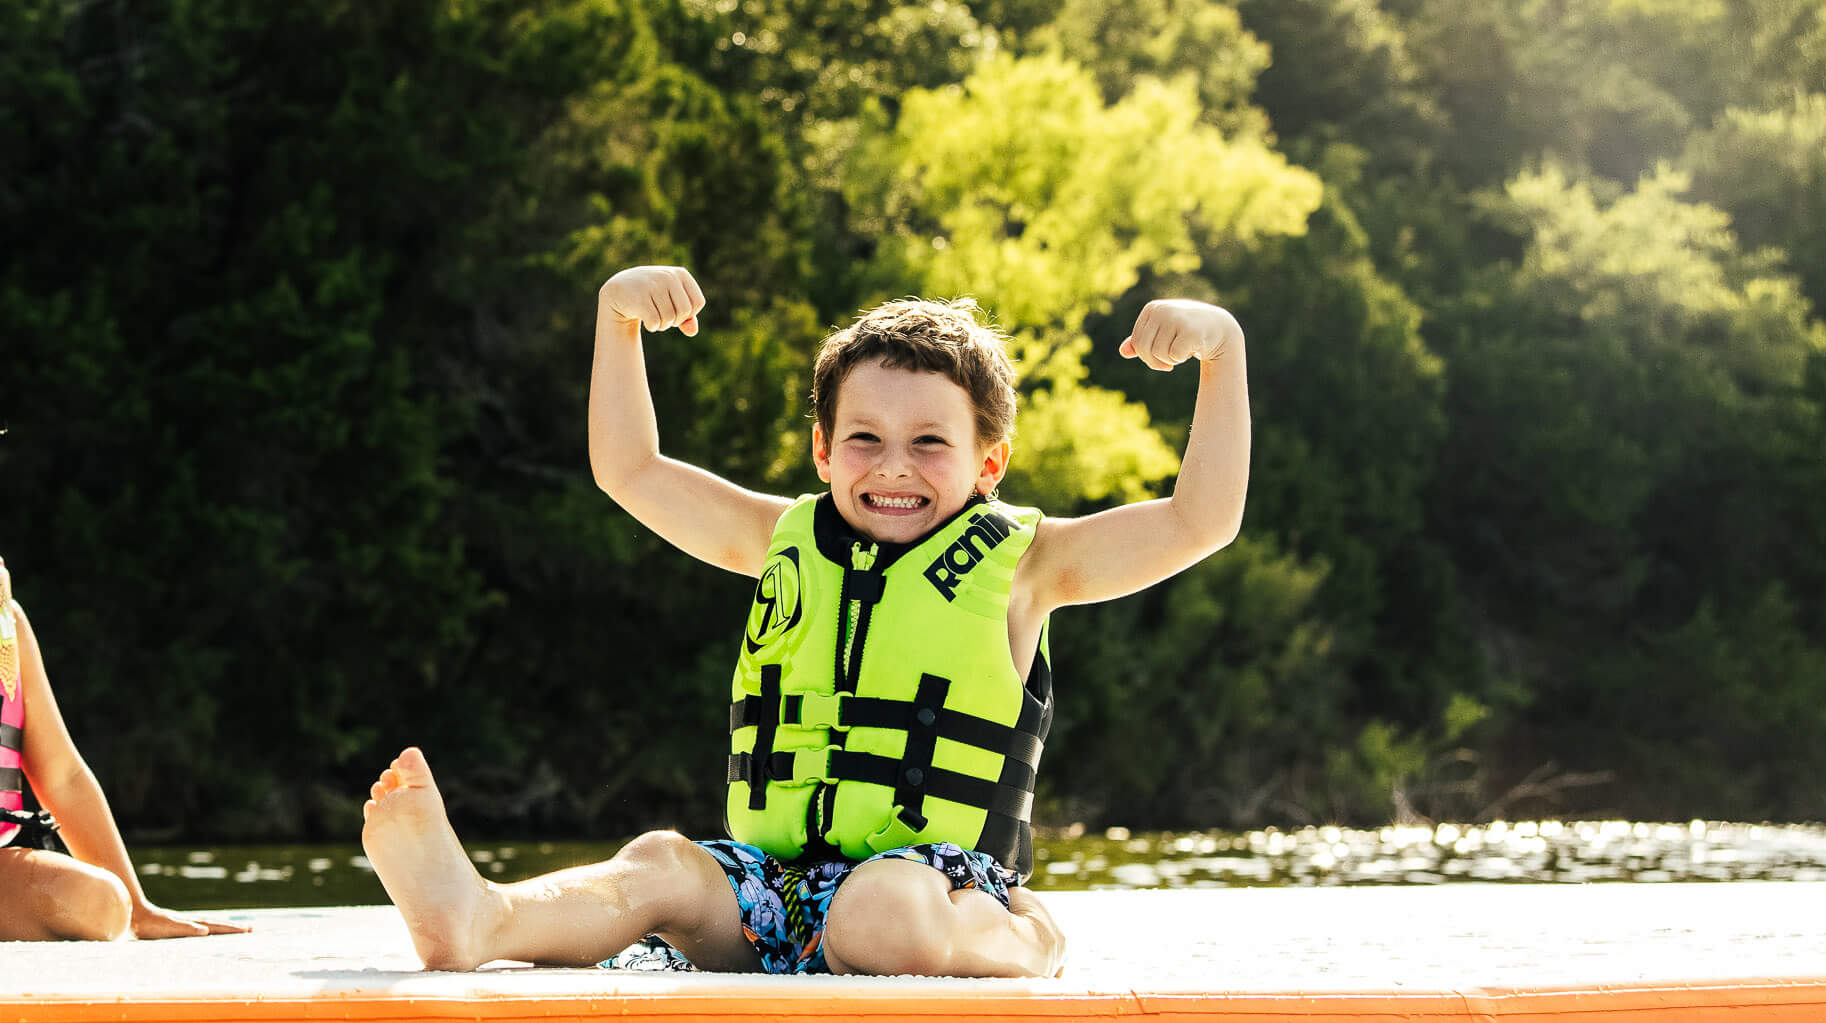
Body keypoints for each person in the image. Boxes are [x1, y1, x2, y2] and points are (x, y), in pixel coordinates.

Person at [362, 268, 1248, 979]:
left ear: (990, 463)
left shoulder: (1028, 566)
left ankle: (1029, 940)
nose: (892, 467)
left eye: (930, 443)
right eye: (863, 439)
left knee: (880, 917)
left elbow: (1197, 521)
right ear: (823, 450)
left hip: (930, 887)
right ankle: (480, 919)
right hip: (771, 893)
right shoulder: (774, 538)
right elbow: (629, 470)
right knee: (662, 864)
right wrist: (618, 320)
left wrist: (1222, 353)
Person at [0, 556, 247, 942]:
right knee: (101, 902)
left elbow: (63, 776)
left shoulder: (7, 622)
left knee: (101, 902)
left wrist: (138, 907)